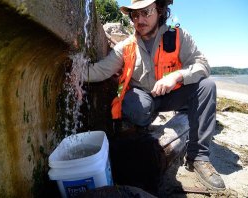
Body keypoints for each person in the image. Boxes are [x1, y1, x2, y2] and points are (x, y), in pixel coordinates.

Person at [82, 0, 225, 191]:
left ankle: (198, 158)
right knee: (133, 106)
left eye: (146, 12)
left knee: (207, 86)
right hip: (144, 98)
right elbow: (100, 70)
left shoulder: (179, 36)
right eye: (135, 15)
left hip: (174, 94)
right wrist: (75, 74)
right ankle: (142, 134)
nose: (139, 19)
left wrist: (177, 76)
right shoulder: (126, 46)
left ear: (159, 10)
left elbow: (203, 66)